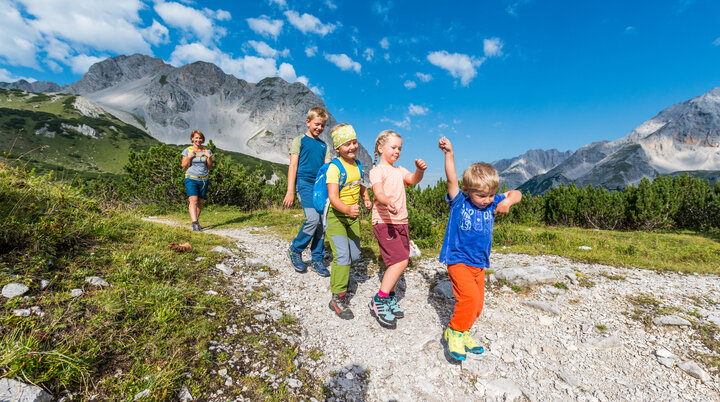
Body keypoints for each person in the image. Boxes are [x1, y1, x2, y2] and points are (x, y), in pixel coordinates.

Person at [437, 136, 522, 361]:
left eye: (491, 195)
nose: (487, 200)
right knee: (469, 298)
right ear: (467, 190)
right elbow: (451, 178)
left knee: (477, 306)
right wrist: (449, 154)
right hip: (458, 260)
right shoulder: (459, 202)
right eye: (481, 195)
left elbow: (516, 193)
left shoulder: (494, 202)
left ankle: (464, 332)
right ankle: (453, 331)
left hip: (479, 262)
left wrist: (506, 202)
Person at [367, 130, 426, 329]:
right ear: (380, 148)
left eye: (400, 148)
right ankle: (379, 299)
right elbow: (378, 192)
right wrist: (386, 201)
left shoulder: (399, 170)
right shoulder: (377, 171)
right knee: (401, 260)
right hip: (384, 222)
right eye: (394, 147)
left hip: (401, 222)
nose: (398, 151)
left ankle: (390, 296)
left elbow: (413, 179)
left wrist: (420, 171)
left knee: (396, 261)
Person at [326, 124, 372, 320]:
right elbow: (333, 197)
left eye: (354, 142)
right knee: (343, 256)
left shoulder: (358, 165)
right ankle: (338, 297)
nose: (352, 147)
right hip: (336, 216)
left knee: (355, 253)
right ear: (338, 148)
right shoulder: (334, 168)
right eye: (347, 144)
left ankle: (343, 277)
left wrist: (367, 198)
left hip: (352, 217)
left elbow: (360, 185)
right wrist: (346, 209)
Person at [284, 107, 334, 276]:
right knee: (313, 219)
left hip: (319, 187)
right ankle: (295, 249)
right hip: (304, 183)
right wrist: (290, 190)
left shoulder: (324, 146)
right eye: (316, 124)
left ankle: (317, 259)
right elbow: (293, 166)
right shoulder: (299, 141)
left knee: (322, 222)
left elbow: (327, 169)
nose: (319, 128)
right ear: (308, 122)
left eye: (322, 126)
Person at [181, 130, 213, 231]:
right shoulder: (187, 150)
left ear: (203, 139)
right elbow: (184, 166)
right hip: (191, 178)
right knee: (193, 200)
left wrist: (209, 157)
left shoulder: (206, 151)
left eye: (200, 138)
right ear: (192, 139)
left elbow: (209, 167)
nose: (198, 140)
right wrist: (188, 157)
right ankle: (195, 223)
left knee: (200, 202)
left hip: (203, 180)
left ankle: (196, 222)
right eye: (196, 138)